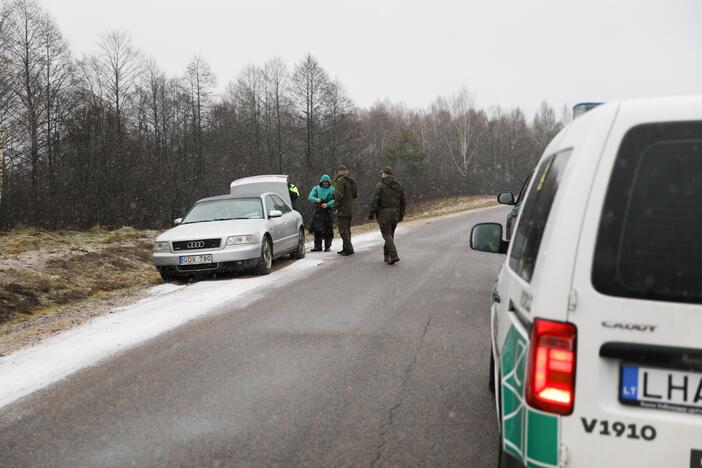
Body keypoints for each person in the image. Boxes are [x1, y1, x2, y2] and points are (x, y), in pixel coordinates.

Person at [368, 166, 406, 265]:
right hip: (395, 213)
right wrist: (401, 215)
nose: (381, 175)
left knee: (387, 235)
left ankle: (394, 255)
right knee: (390, 235)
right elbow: (403, 202)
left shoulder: (380, 186)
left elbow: (375, 201)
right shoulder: (399, 185)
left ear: (385, 174)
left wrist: (371, 213)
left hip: (384, 213)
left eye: (382, 173)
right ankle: (386, 255)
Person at [333, 164, 358, 256]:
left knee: (343, 230)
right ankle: (345, 248)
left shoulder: (340, 181)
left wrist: (336, 208)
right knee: (347, 229)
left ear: (339, 172)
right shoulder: (352, 181)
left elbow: (338, 196)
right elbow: (355, 194)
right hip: (350, 208)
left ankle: (349, 248)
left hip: (342, 209)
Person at [307, 174, 335, 252]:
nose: (325, 183)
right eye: (324, 182)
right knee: (317, 229)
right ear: (321, 182)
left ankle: (327, 246)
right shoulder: (316, 188)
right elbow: (310, 197)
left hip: (328, 211)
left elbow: (336, 200)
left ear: (329, 182)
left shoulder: (332, 189)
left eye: (327, 182)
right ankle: (317, 246)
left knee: (328, 229)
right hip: (319, 211)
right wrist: (317, 200)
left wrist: (328, 204)